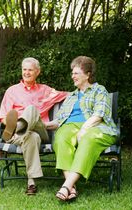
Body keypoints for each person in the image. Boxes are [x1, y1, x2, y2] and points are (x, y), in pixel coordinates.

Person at [50, 56, 119, 201]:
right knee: (61, 137)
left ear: (88, 74)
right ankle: (71, 187)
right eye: (72, 73)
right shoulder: (71, 96)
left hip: (97, 127)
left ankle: (66, 185)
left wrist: (83, 130)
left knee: (89, 138)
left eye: (76, 73)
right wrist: (42, 124)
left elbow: (99, 115)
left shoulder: (99, 90)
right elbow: (59, 120)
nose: (72, 76)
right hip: (71, 127)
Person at [0, 57, 68, 195]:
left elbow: (68, 95)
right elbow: (3, 118)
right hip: (20, 136)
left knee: (31, 109)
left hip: (43, 131)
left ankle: (19, 125)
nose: (27, 72)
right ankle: (31, 183)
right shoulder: (12, 91)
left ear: (37, 72)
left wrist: (87, 91)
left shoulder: (46, 90)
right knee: (32, 137)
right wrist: (11, 124)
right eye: (24, 69)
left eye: (30, 70)